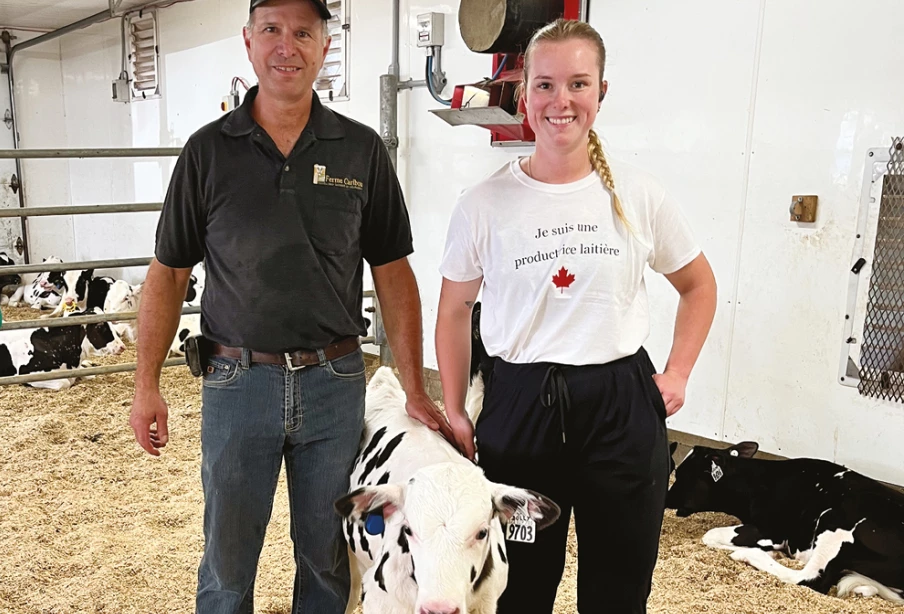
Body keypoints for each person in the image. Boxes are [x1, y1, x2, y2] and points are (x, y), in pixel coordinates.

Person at [128, 0, 465, 612]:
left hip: (334, 385)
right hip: (236, 381)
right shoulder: (207, 152)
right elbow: (168, 271)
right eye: (272, 31)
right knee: (227, 561)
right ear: (249, 42)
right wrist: (145, 382)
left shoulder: (360, 150)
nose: (287, 46)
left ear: (325, 46)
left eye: (303, 33)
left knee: (326, 556)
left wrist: (415, 387)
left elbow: (393, 272)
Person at [434, 18, 718, 614]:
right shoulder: (484, 204)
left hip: (621, 409)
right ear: (523, 94)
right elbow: (455, 312)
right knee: (522, 589)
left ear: (601, 93)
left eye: (578, 84)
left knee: (618, 589)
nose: (560, 101)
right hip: (520, 412)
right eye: (544, 85)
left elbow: (698, 286)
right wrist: (457, 408)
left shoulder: (639, 194)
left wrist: (678, 373)